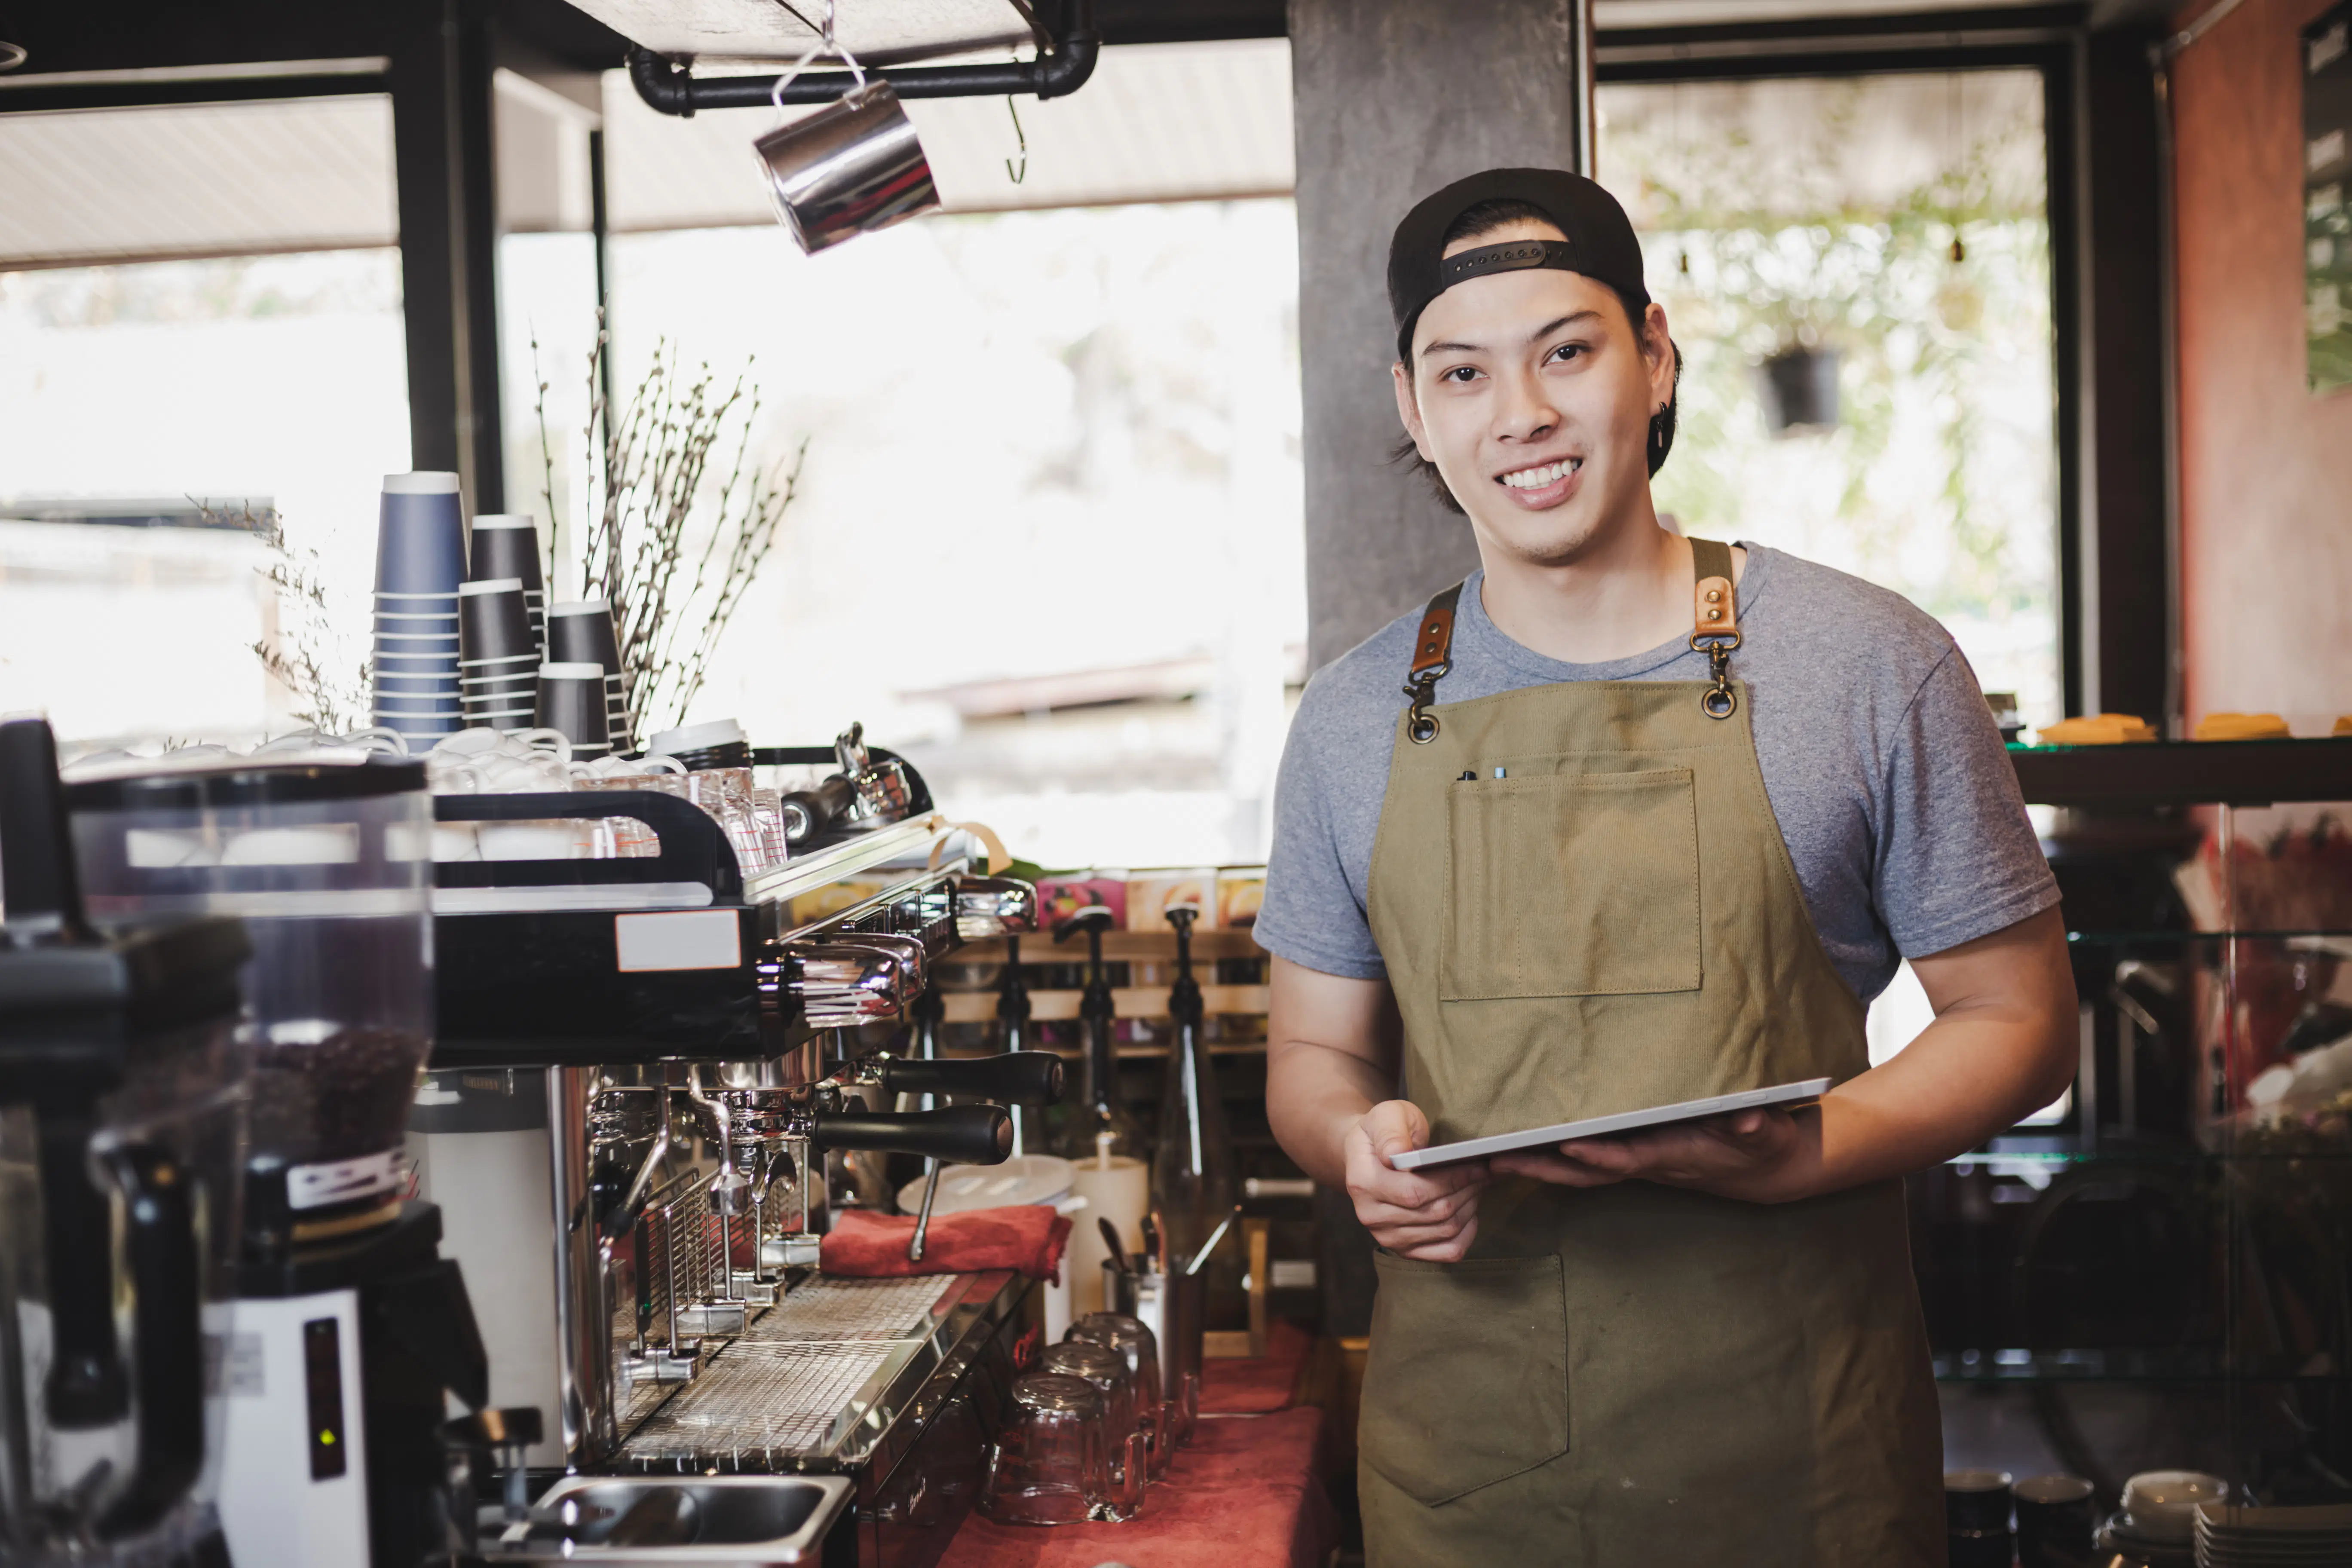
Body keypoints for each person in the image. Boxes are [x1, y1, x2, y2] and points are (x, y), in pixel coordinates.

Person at [1256, 167, 2078, 1566]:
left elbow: (2023, 1025)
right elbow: (1311, 1058)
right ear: (1413, 407)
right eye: (1464, 372)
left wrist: (1809, 1151)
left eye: (1566, 351)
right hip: (1472, 1481)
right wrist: (1355, 1146)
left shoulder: (1870, 664)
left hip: (1801, 1465)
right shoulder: (1349, 716)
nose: (1520, 414)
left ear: (1654, 358)